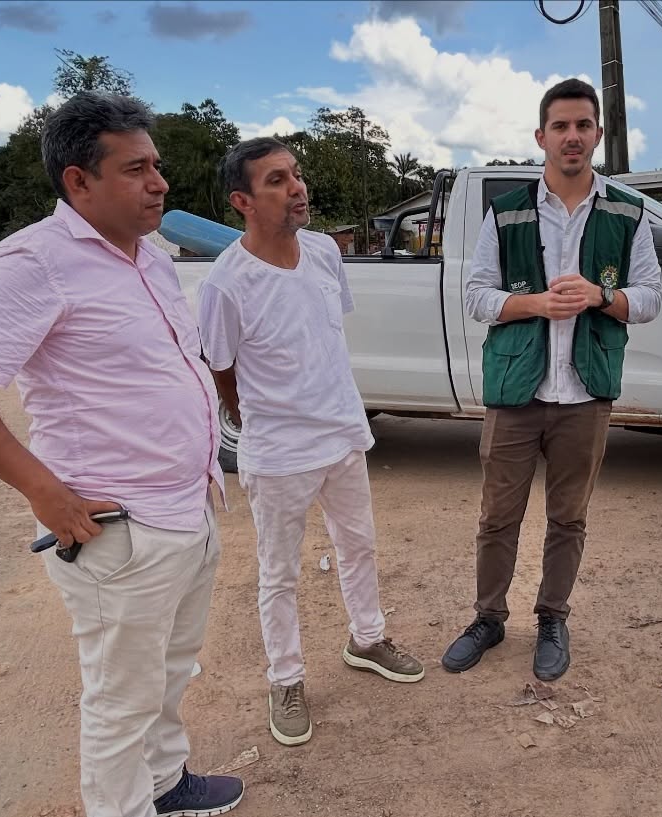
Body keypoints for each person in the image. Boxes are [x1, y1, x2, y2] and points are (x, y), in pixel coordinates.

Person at [0, 93, 242, 817]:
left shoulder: (150, 259)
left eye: (157, 166)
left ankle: (165, 782)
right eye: (136, 169)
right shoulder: (35, 261)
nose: (159, 183)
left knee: (169, 669)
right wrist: (43, 490)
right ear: (78, 181)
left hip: (187, 507)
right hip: (119, 527)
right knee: (122, 698)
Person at [197, 137, 424, 748]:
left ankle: (367, 639)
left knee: (359, 546)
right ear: (242, 201)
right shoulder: (226, 283)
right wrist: (253, 416)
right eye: (276, 180)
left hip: (343, 432)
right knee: (279, 573)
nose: (296, 187)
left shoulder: (324, 251)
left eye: (295, 174)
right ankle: (286, 679)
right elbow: (220, 366)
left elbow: (321, 338)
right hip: (279, 453)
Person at [442, 79, 662, 681]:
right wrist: (536, 304)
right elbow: (477, 296)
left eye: (583, 125)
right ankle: (488, 618)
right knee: (497, 516)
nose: (572, 136)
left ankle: (552, 618)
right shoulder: (507, 210)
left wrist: (601, 295)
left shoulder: (626, 212)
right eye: (561, 126)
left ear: (598, 134)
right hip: (516, 391)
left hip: (585, 393)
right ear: (541, 136)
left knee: (569, 518)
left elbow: (649, 298)